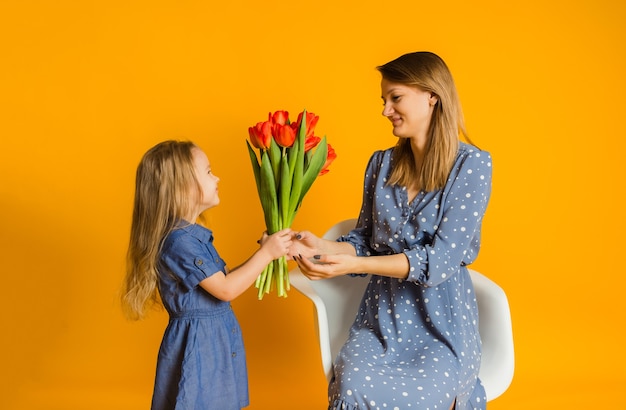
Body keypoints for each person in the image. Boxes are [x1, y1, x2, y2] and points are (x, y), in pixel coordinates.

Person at [291, 51, 492, 410]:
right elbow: (367, 241)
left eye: (395, 97)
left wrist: (355, 266)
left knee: (425, 396)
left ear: (433, 96)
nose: (385, 110)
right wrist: (322, 247)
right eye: (384, 100)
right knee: (350, 387)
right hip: (379, 322)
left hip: (441, 326)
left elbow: (440, 262)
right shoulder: (381, 164)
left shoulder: (472, 165)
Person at [121, 140, 292, 410]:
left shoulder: (194, 237)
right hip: (199, 349)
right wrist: (266, 255)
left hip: (214, 343)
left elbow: (222, 280)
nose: (217, 177)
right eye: (209, 172)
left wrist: (264, 254)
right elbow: (225, 290)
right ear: (182, 187)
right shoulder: (178, 242)